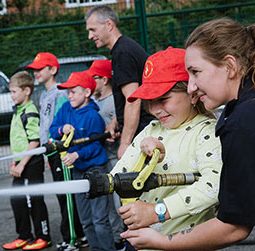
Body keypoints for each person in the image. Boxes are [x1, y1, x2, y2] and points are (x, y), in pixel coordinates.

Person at [120, 17, 255, 250]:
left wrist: (160, 229)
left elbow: (235, 225)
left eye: (195, 72)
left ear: (231, 66)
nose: (191, 86)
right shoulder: (239, 112)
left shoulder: (242, 119)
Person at [110, 46, 223, 251]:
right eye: (149, 102)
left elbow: (213, 186)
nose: (154, 110)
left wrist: (157, 211)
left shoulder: (206, 132)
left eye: (163, 99)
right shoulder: (150, 130)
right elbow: (118, 176)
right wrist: (143, 159)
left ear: (191, 92)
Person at [26, 52, 87, 251]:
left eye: (39, 69)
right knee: (62, 194)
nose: (35, 73)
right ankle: (78, 233)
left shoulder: (61, 93)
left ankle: (73, 237)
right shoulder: (44, 94)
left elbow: (60, 124)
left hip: (61, 151)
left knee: (65, 195)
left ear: (52, 70)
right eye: (34, 70)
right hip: (51, 153)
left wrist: (55, 144)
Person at [49, 71, 116, 251]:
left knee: (99, 219)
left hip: (95, 171)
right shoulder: (65, 109)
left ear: (86, 93)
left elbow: (97, 146)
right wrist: (62, 128)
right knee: (85, 220)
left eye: (73, 91)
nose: (69, 95)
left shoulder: (93, 116)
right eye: (68, 92)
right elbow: (52, 129)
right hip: (77, 172)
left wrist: (77, 155)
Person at [86, 5, 154, 159]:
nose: (90, 36)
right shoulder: (123, 49)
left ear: (109, 25)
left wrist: (125, 143)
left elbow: (133, 99)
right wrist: (116, 121)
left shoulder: (122, 52)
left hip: (143, 131)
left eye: (93, 30)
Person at [2, 71, 51, 250]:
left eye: (14, 91)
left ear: (26, 91)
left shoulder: (30, 111)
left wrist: (23, 163)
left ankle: (43, 236)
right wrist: (15, 162)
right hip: (21, 164)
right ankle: (24, 236)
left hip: (31, 164)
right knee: (18, 199)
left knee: (34, 200)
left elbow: (34, 140)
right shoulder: (18, 111)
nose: (12, 95)